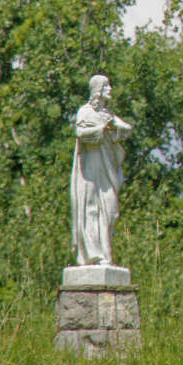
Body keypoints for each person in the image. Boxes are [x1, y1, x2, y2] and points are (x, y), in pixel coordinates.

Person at [70, 74, 132, 266]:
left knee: (111, 210)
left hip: (107, 168)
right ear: (98, 90)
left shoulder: (108, 114)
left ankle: (106, 251)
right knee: (90, 208)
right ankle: (95, 255)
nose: (110, 89)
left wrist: (114, 126)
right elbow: (80, 133)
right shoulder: (85, 112)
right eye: (107, 86)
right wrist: (100, 129)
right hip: (89, 166)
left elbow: (127, 129)